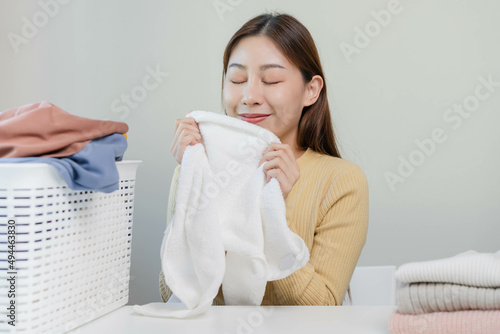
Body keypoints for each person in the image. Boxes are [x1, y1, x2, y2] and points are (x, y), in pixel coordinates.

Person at [159, 12, 369, 306]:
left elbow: (321, 308)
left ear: (311, 90)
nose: (249, 95)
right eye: (237, 78)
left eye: (271, 80)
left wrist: (273, 211)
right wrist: (197, 184)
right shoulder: (196, 168)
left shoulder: (341, 180)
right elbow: (175, 292)